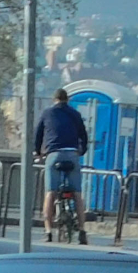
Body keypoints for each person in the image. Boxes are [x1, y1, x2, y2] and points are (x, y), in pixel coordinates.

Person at [32, 88, 89, 235]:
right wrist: (81, 151)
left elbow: (38, 135)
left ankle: (48, 230)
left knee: (50, 192)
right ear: (67, 99)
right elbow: (84, 135)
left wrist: (38, 152)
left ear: (54, 99)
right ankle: (82, 229)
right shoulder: (75, 114)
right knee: (77, 193)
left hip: (53, 155)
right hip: (72, 154)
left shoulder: (47, 113)